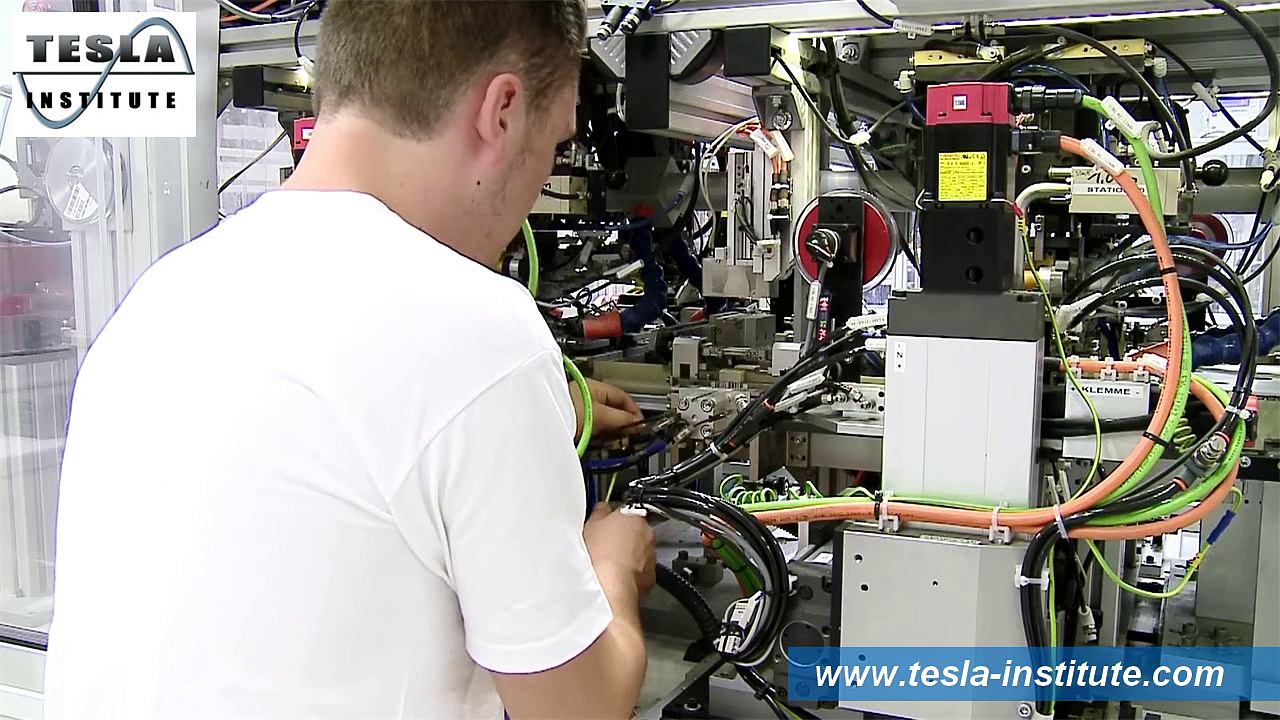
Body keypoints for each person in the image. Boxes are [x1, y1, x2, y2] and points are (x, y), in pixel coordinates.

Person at [43, 2, 657, 718]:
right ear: (503, 110)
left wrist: (544, 413)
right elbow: (577, 711)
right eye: (555, 142)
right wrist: (609, 565)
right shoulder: (477, 328)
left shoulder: (157, 299)